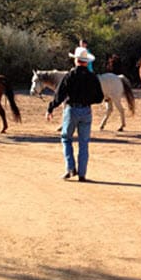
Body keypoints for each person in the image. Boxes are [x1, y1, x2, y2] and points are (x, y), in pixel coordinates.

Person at [46, 46, 104, 182]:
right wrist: (87, 100)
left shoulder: (69, 76)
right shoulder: (92, 77)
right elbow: (99, 97)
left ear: (76, 60)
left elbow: (59, 95)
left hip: (71, 110)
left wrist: (50, 108)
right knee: (84, 142)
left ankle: (70, 169)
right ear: (86, 61)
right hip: (86, 111)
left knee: (66, 139)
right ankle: (82, 174)